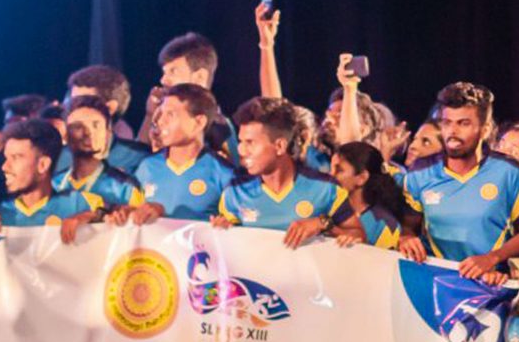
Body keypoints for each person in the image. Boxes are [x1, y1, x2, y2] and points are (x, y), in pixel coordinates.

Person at [399, 83, 519, 285]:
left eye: (463, 123)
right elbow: (408, 227)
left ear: (485, 129)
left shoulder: (509, 172)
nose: (452, 132)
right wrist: (406, 238)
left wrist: (492, 258)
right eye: (447, 123)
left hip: (491, 286)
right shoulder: (419, 173)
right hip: (433, 284)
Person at [211, 97, 347, 247]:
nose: (241, 150)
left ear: (280, 146)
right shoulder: (234, 193)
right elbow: (230, 246)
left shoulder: (325, 188)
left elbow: (358, 238)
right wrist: (222, 230)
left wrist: (323, 223)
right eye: (241, 141)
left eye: (250, 142)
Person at [128, 84, 235, 223]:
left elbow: (237, 226)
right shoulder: (147, 167)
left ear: (199, 122)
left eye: (170, 115)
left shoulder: (223, 174)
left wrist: (224, 225)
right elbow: (128, 215)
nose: (160, 121)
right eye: (161, 113)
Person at [0, 119, 101, 239]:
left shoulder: (79, 204)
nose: (5, 167)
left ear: (43, 165)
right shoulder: (0, 214)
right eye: (6, 158)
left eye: (15, 157)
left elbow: (113, 216)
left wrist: (89, 217)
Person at [54, 96, 145, 211]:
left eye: (96, 125)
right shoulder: (54, 185)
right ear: (66, 135)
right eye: (78, 126)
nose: (87, 132)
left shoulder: (126, 188)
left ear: (108, 134)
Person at [64, 65, 150, 172]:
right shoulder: (58, 158)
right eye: (73, 102)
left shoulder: (138, 159)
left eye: (83, 102)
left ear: (110, 108)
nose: (74, 109)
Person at [328, 142, 405, 249]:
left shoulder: (385, 226)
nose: (330, 175)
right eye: (331, 168)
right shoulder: (325, 206)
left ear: (361, 178)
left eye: (339, 170)